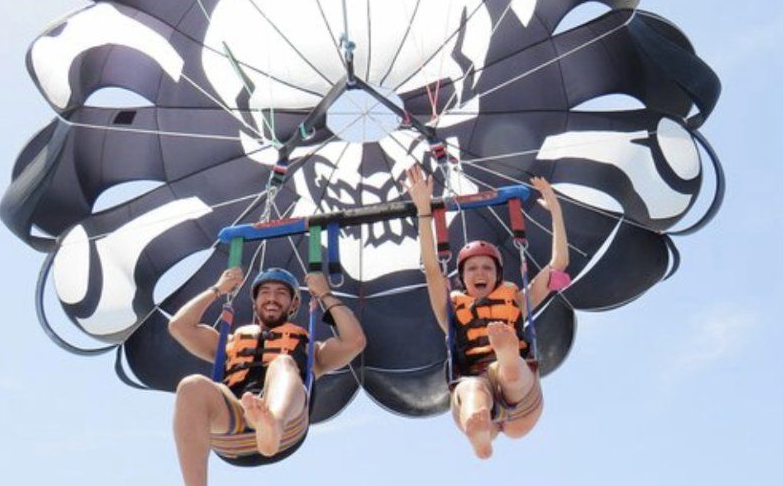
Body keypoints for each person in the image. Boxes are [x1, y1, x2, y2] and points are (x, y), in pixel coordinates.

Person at [404, 164, 570, 459]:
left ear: (497, 276)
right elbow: (431, 268)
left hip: (522, 403)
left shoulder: (517, 301)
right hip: (477, 385)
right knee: (472, 389)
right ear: (461, 277)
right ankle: (479, 426)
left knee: (511, 372)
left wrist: (556, 211)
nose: (480, 272)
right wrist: (423, 210)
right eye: (472, 268)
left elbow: (558, 265)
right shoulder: (450, 311)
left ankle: (507, 357)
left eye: (487, 268)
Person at [168, 267, 365, 485]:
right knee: (191, 385)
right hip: (235, 424)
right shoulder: (227, 343)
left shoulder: (312, 351)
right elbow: (179, 326)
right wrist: (218, 289)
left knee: (282, 363)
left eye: (281, 293)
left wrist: (325, 294)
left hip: (285, 431)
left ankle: (271, 425)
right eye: (265, 292)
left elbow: (354, 341)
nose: (272, 298)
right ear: (255, 303)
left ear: (294, 305)